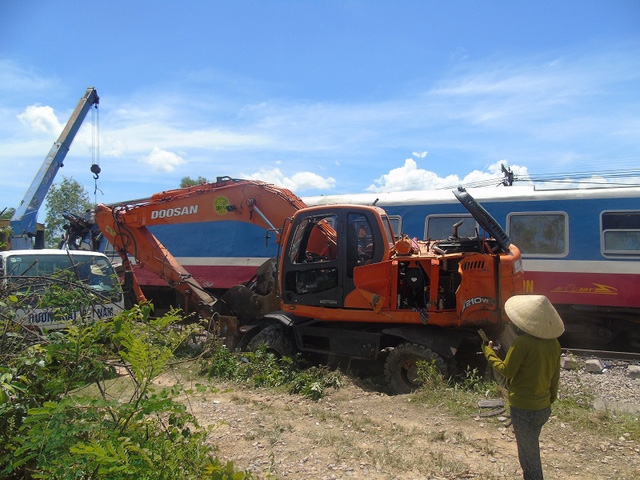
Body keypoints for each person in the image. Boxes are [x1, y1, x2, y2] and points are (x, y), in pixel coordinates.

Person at [483, 295, 564, 480]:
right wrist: (549, 399)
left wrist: (488, 353)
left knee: (529, 458)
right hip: (543, 408)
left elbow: (507, 370)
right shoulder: (554, 344)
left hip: (523, 408)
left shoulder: (522, 343)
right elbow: (555, 377)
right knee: (531, 448)